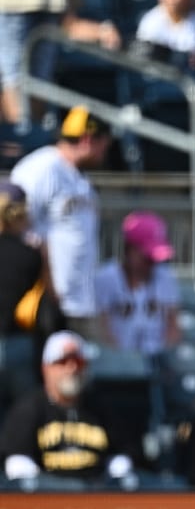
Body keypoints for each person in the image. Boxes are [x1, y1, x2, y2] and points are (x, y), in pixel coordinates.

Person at [9, 106, 112, 338]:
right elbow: (13, 224)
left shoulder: (78, 176)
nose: (104, 152)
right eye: (103, 144)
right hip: (47, 298)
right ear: (87, 139)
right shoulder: (41, 168)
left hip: (79, 299)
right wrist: (45, 279)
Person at [0, 330, 139, 491]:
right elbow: (17, 464)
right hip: (46, 504)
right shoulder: (27, 410)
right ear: (46, 368)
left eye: (78, 361)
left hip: (97, 504)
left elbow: (123, 457)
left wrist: (112, 480)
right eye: (63, 361)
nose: (72, 368)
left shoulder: (103, 409)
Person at [95, 211, 182, 356]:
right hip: (117, 363)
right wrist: (124, 362)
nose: (152, 263)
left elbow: (173, 326)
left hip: (157, 361)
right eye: (147, 257)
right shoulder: (106, 278)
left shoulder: (165, 276)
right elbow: (100, 327)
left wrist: (164, 358)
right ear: (130, 249)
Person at [0, 183, 46, 418]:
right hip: (19, 341)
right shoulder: (30, 254)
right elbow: (49, 293)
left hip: (18, 341)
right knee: (22, 417)